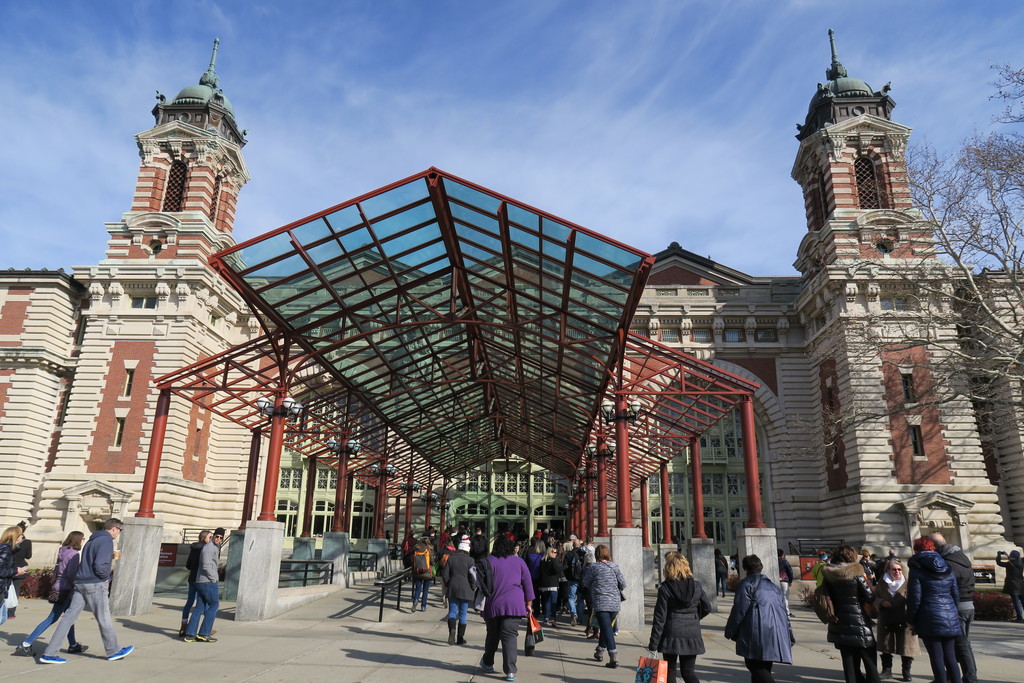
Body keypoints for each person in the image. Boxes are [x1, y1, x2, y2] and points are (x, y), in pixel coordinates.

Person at [39, 518, 134, 665]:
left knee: (68, 619)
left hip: (80, 583)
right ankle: (113, 650)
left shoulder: (91, 540)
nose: (119, 534)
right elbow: (100, 564)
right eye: (120, 530)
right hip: (95, 583)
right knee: (104, 617)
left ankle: (49, 653)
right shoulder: (106, 541)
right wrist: (105, 577)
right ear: (114, 528)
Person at [16, 531, 87, 656]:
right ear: (77, 540)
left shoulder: (63, 550)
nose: (83, 541)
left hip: (59, 586)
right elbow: (71, 574)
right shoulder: (74, 554)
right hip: (66, 588)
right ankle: (26, 643)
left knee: (69, 617)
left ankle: (73, 644)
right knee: (52, 618)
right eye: (82, 539)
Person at [724, 554, 793, 683]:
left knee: (755, 667)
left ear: (745, 569)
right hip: (774, 629)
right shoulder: (773, 586)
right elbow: (783, 610)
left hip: (755, 630)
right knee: (764, 667)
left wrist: (730, 631)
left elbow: (739, 610)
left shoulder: (746, 584)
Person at [820, 544, 880, 683]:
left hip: (838, 622)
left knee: (849, 663)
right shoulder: (856, 573)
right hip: (859, 622)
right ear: (850, 556)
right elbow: (869, 596)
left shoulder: (828, 574)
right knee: (869, 661)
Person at [648, 552, 712, 683]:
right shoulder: (696, 586)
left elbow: (660, 617)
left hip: (671, 632)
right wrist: (694, 617)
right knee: (688, 672)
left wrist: (654, 642)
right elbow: (707, 607)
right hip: (691, 632)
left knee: (670, 672)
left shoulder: (665, 588)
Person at [479, 533, 534, 682]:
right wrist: (529, 603)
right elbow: (527, 583)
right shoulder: (519, 562)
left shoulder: (488, 561)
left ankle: (488, 662)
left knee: (492, 635)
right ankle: (510, 671)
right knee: (510, 637)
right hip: (514, 604)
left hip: (493, 603)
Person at [907, 536, 962, 683]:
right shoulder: (947, 566)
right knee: (950, 656)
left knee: (936, 656)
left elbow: (915, 598)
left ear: (917, 549)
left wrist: (911, 620)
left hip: (929, 616)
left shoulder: (916, 567)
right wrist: (952, 612)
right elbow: (955, 594)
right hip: (949, 614)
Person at [931, 532, 977, 683]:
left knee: (961, 645)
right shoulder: (963, 559)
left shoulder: (949, 564)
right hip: (968, 605)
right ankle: (960, 675)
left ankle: (970, 678)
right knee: (963, 644)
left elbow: (948, 586)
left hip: (958, 606)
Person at [580, 544, 627, 669]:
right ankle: (600, 650)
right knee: (606, 628)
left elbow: (585, 583)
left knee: (607, 630)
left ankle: (613, 656)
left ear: (596, 555)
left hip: (601, 602)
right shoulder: (614, 566)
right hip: (615, 603)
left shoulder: (594, 568)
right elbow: (623, 584)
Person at [873, 557, 919, 682]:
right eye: (894, 569)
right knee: (886, 645)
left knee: (906, 647)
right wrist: (881, 602)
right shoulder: (882, 582)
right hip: (886, 618)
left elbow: (915, 599)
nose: (897, 572)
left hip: (904, 619)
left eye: (899, 569)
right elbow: (874, 597)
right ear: (887, 570)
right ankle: (887, 671)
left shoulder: (908, 583)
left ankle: (906, 672)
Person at [184, 526, 223, 643]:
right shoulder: (209, 548)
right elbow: (206, 565)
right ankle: (204, 633)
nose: (218, 539)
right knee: (214, 605)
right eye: (216, 536)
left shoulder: (211, 547)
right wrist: (213, 578)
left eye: (221, 538)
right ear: (213, 536)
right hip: (207, 581)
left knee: (200, 607)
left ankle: (190, 634)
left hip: (201, 580)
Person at [442, 538, 476, 646]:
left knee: (452, 612)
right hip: (466, 589)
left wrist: (448, 583)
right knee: (463, 613)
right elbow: (473, 576)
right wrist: (473, 586)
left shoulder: (451, 559)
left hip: (453, 587)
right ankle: (460, 637)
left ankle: (451, 631)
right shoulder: (471, 560)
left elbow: (445, 574)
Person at [180, 529, 212, 637]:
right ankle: (205, 628)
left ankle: (183, 626)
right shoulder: (205, 549)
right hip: (201, 579)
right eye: (210, 537)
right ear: (204, 538)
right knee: (204, 604)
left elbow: (188, 565)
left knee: (189, 602)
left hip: (192, 578)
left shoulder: (193, 548)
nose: (211, 539)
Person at [0, 526, 28, 625]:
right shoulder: (6, 549)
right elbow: (1, 570)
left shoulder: (8, 549)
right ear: (15, 536)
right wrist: (15, 569)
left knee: (3, 617)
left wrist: (15, 571)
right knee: (2, 617)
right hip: (1, 587)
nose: (22, 537)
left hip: (3, 587)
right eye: (21, 534)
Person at [9, 521, 32, 618]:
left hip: (9, 567)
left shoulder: (8, 541)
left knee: (6, 589)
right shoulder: (27, 542)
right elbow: (28, 556)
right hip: (21, 567)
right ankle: (11, 612)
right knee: (15, 590)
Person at [538, 545, 565, 627]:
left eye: (556, 552)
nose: (555, 554)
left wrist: (540, 584)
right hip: (553, 583)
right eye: (554, 552)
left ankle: (546, 618)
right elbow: (557, 570)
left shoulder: (542, 561)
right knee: (553, 602)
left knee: (546, 601)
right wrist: (565, 566)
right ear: (550, 552)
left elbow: (540, 573)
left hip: (545, 584)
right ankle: (553, 618)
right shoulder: (554, 561)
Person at [995, 548, 1024, 623]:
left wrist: (999, 555)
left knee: (1016, 602)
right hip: (1021, 585)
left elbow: (999, 563)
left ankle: (1020, 618)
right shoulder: (1020, 564)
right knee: (1022, 601)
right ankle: (1020, 617)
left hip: (1013, 586)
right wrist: (1007, 555)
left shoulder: (1010, 564)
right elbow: (1012, 559)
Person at [565, 538, 585, 625]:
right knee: (580, 599)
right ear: (580, 545)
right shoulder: (583, 554)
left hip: (572, 579)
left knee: (571, 598)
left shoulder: (569, 554)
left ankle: (574, 613)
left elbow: (565, 567)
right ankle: (580, 619)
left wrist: (567, 576)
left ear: (573, 546)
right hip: (581, 579)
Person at [411, 535, 434, 612]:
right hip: (427, 572)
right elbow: (432, 561)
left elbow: (412, 560)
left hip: (417, 571)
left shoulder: (416, 549)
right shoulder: (429, 549)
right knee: (425, 590)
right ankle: (423, 606)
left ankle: (415, 600)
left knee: (418, 589)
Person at [778, 548, 794, 616]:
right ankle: (786, 612)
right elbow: (790, 571)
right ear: (782, 554)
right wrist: (790, 581)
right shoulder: (784, 561)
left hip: (775, 581)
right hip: (784, 580)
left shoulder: (773, 561)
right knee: (785, 597)